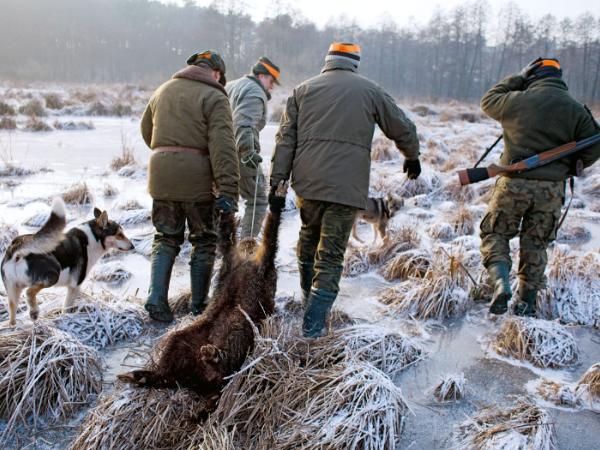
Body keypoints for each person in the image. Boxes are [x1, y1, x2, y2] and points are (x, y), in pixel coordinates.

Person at [269, 42, 421, 338]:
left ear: (327, 61)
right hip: (347, 188)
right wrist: (411, 155)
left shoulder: (302, 90)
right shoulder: (370, 90)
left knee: (308, 242)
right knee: (332, 254)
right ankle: (313, 327)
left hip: (307, 185)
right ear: (355, 63)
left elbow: (284, 140)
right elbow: (401, 126)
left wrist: (278, 185)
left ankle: (306, 301)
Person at [480, 57, 600, 317]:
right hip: (551, 190)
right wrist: (567, 167)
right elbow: (594, 145)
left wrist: (518, 78)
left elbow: (487, 101)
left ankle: (500, 283)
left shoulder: (516, 100)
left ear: (532, 76)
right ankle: (526, 306)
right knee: (536, 244)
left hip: (512, 185)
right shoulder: (576, 109)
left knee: (496, 234)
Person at [140, 51, 239, 322]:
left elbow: (147, 131)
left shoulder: (163, 90)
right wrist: (229, 189)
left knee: (165, 236)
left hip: (160, 175)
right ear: (216, 74)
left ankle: (156, 300)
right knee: (204, 240)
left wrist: (167, 154)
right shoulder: (215, 96)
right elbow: (223, 147)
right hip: (197, 180)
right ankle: (199, 307)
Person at [227, 56, 281, 238]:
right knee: (257, 200)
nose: (272, 87)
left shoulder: (232, 85)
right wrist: (248, 153)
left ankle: (222, 247)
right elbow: (243, 125)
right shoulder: (254, 93)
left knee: (226, 199)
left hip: (220, 152)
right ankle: (245, 251)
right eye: (271, 81)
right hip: (240, 154)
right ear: (261, 76)